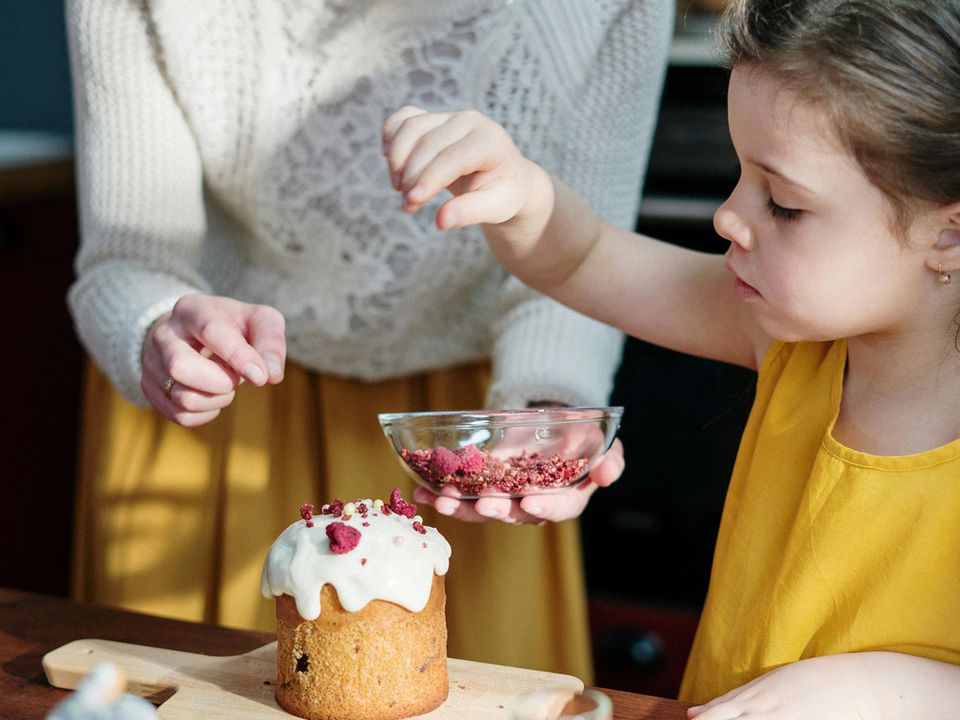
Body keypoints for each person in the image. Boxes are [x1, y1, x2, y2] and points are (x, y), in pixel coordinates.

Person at [65, 0, 673, 680]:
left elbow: (583, 260)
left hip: (470, 433)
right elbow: (124, 258)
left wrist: (544, 415)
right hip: (217, 405)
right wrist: (155, 329)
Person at [382, 0, 960, 714]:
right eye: (740, 173)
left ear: (950, 233)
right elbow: (586, 258)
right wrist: (521, 195)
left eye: (782, 202)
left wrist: (883, 688)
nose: (728, 215)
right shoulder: (790, 340)